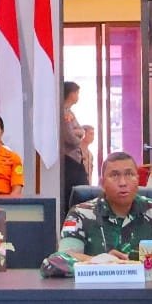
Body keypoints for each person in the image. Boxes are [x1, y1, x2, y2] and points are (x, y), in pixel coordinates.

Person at [41, 151, 152, 276]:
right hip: (96, 294)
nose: (123, 182)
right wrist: (102, 262)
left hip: (148, 292)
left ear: (138, 179)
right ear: (102, 183)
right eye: (114, 175)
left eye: (129, 174)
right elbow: (65, 256)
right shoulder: (80, 213)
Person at [60, 81, 94, 210]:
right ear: (71, 94)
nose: (78, 96)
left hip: (75, 158)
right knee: (78, 192)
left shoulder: (70, 112)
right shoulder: (64, 113)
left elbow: (81, 131)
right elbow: (70, 138)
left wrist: (79, 132)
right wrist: (78, 135)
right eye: (77, 93)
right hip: (69, 159)